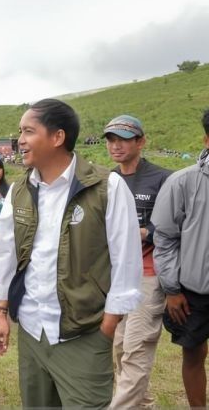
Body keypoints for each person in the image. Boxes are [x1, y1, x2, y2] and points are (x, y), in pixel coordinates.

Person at [0, 98, 142, 408]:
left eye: (29, 131)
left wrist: (107, 326)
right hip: (32, 331)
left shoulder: (106, 187)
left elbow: (126, 263)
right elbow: (6, 256)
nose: (20, 140)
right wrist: (1, 313)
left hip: (84, 335)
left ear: (57, 137)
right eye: (21, 131)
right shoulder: (18, 192)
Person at [103, 115, 171, 408]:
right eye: (111, 140)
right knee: (118, 349)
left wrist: (144, 232)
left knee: (136, 348)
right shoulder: (107, 180)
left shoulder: (163, 179)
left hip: (148, 274)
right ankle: (141, 404)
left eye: (123, 139)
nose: (116, 146)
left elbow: (176, 226)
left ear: (140, 142)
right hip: (115, 276)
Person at [151, 108, 209, 408]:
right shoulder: (183, 183)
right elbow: (165, 238)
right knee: (194, 353)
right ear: (207, 139)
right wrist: (172, 289)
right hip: (194, 292)